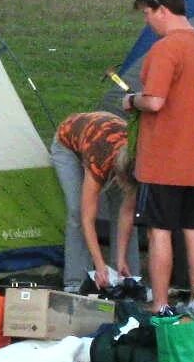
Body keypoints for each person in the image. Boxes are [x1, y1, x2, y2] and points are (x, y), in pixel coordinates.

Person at [124, 0, 194, 312]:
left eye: (147, 14)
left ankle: (160, 303)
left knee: (159, 232)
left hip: (164, 159)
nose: (147, 21)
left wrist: (131, 99)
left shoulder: (167, 48)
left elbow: (154, 101)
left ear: (162, 10)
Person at [50, 109, 141, 292]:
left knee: (123, 210)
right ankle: (77, 280)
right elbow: (87, 218)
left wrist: (120, 258)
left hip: (105, 139)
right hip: (68, 144)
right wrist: (100, 264)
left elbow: (127, 214)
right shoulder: (98, 161)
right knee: (77, 211)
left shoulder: (138, 160)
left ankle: (127, 277)